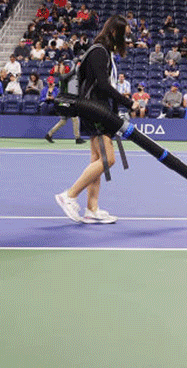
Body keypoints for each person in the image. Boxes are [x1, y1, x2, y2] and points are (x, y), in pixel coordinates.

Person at [54, 15, 132, 225]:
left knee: (97, 161)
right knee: (109, 160)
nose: (126, 40)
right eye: (124, 35)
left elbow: (104, 86)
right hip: (96, 110)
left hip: (100, 110)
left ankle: (92, 209)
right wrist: (128, 102)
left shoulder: (103, 51)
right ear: (115, 33)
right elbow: (104, 86)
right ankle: (69, 195)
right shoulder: (99, 51)